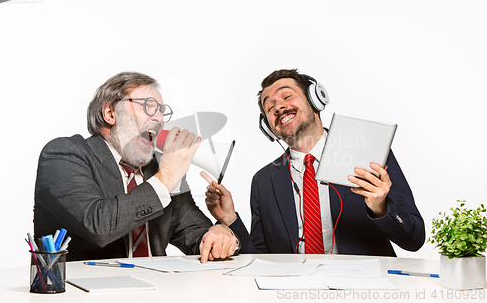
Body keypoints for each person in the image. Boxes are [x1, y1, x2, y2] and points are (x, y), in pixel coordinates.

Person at [203, 69, 425, 256]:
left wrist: (380, 207)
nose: (278, 107)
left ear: (315, 98)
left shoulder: (368, 153)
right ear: (268, 127)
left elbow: (414, 239)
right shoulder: (263, 181)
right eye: (270, 108)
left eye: (287, 96)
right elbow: (260, 259)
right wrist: (230, 218)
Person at [34, 71, 237, 263]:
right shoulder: (65, 154)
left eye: (162, 111)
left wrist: (222, 232)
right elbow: (98, 226)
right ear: (110, 113)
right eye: (149, 106)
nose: (159, 119)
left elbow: (198, 236)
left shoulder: (157, 170)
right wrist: (165, 179)